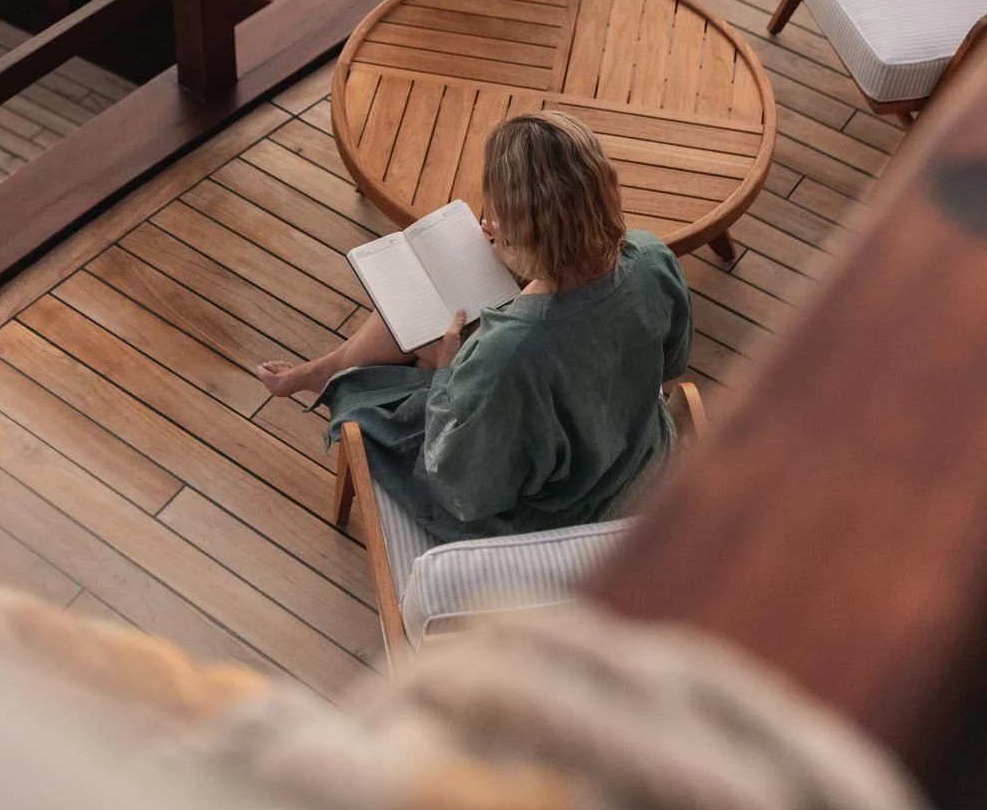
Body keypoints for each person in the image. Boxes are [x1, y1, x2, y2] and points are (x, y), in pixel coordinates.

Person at [255, 112, 694, 542]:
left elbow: (460, 487)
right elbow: (669, 363)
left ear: (527, 230)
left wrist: (448, 372)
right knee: (438, 316)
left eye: (497, 218)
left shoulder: (510, 350)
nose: (487, 225)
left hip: (560, 514)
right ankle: (324, 368)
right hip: (639, 448)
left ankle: (334, 376)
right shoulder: (652, 258)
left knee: (363, 399)